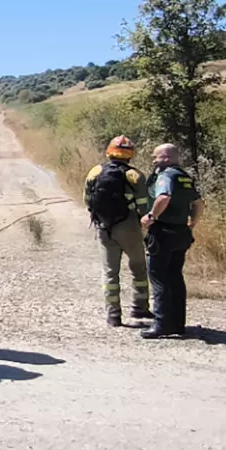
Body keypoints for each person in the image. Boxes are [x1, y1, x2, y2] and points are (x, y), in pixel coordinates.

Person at [84, 135, 153, 327]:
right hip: (129, 225)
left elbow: (87, 199)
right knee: (138, 267)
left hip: (104, 227)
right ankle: (140, 306)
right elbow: (143, 206)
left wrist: (99, 217)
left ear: (109, 151)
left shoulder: (95, 171)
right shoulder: (135, 175)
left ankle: (113, 314)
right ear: (130, 154)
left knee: (109, 272)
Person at [141, 144, 204, 340]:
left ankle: (161, 324)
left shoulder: (166, 176)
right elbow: (199, 203)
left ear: (166, 158)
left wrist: (151, 216)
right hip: (181, 233)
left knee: (158, 277)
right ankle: (178, 323)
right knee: (175, 276)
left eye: (156, 157)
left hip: (163, 233)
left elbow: (164, 196)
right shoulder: (184, 176)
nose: (153, 160)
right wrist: (193, 221)